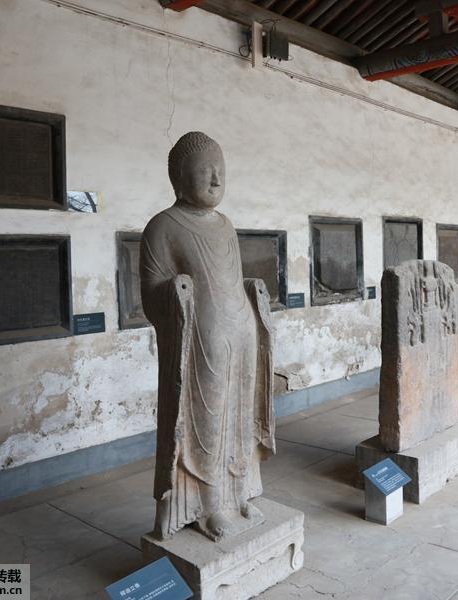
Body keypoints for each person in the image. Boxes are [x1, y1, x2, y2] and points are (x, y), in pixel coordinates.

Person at [140, 132, 274, 541]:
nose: (216, 179)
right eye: (205, 171)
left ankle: (240, 492)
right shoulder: (163, 226)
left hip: (241, 332)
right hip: (202, 340)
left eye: (220, 170)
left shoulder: (226, 225)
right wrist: (175, 291)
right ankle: (211, 503)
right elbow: (151, 293)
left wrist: (251, 290)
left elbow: (230, 281)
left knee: (239, 419)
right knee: (208, 424)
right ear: (180, 178)